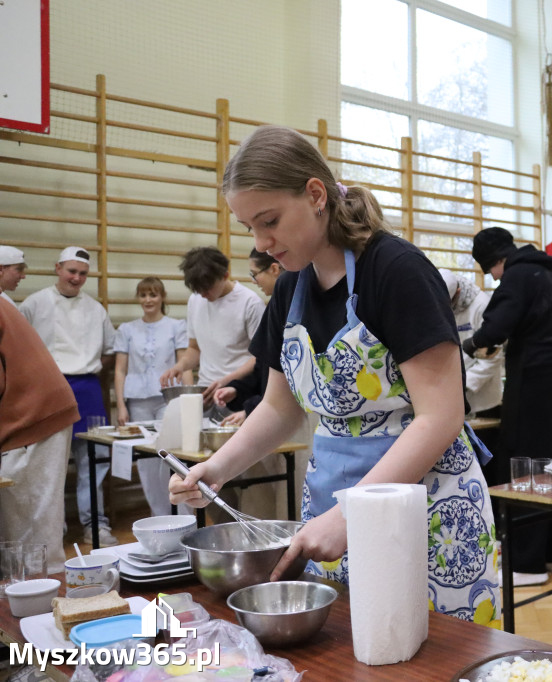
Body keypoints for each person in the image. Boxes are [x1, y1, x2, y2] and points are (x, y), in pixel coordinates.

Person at [169, 124, 500, 626]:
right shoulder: (290, 289)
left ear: (316, 195)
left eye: (270, 221)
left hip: (424, 506)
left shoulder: (395, 270)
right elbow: (280, 408)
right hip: (330, 504)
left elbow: (440, 416)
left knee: (424, 653)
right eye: (249, 229)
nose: (261, 243)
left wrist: (353, 513)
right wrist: (217, 471)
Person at [467, 226, 552, 587]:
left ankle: (526, 564)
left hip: (534, 381)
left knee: (527, 463)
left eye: (490, 270)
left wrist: (465, 346)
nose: (493, 278)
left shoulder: (516, 276)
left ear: (496, 260)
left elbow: (495, 328)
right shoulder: (549, 272)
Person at [20, 246, 118, 547]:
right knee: (48, 464)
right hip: (48, 390)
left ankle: (95, 525)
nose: (76, 278)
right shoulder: (33, 305)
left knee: (94, 460)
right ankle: (51, 529)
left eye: (83, 273)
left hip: (87, 390)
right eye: (71, 271)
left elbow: (108, 352)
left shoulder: (95, 309)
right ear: (57, 268)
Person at [0, 297, 78, 573]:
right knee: (21, 522)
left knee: (30, 530)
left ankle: (41, 604)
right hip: (32, 410)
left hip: (33, 415)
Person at [113, 277, 188, 516]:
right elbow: (120, 370)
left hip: (169, 400)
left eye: (153, 295)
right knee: (146, 461)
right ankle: (160, 516)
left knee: (173, 456)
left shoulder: (176, 326)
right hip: (137, 401)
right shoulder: (126, 329)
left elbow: (184, 365)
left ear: (162, 297)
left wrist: (188, 403)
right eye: (143, 295)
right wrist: (121, 405)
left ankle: (186, 517)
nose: (148, 300)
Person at [159, 246, 265, 413]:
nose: (203, 294)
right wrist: (179, 367)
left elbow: (259, 357)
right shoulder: (195, 300)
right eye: (197, 289)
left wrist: (226, 380)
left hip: (238, 392)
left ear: (225, 276)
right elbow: (194, 349)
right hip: (206, 392)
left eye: (207, 288)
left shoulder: (250, 303)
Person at [213, 249, 284, 426]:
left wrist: (252, 410)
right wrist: (237, 389)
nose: (254, 281)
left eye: (254, 274)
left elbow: (286, 379)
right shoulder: (275, 305)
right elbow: (264, 365)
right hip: (268, 409)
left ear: (274, 269)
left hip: (285, 414)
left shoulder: (290, 308)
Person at [437, 268, 502, 417]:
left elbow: (493, 357)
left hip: (482, 400)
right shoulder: (439, 303)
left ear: (458, 292)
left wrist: (463, 384)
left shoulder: (482, 306)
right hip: (452, 395)